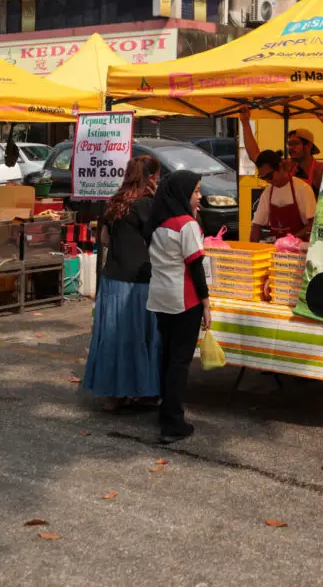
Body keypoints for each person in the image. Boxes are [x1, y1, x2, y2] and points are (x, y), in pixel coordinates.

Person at [83, 155, 162, 412]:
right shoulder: (148, 204)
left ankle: (112, 396)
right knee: (139, 337)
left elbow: (104, 239)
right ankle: (144, 391)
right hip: (139, 280)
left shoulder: (113, 203)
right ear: (151, 178)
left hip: (112, 279)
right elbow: (159, 240)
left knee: (113, 338)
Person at [147, 171, 211, 444]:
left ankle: (165, 413)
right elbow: (196, 267)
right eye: (196, 192)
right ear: (183, 194)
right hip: (185, 300)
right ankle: (173, 423)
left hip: (160, 298)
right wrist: (207, 304)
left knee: (167, 357)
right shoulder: (186, 225)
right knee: (179, 362)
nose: (200, 197)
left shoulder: (158, 223)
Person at [239, 108, 323, 197]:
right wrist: (245, 122)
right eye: (289, 144)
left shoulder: (320, 170)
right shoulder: (287, 167)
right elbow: (256, 157)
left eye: (294, 143)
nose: (290, 148)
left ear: (308, 146)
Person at [250, 149, 316, 243]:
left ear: (280, 167)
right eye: (263, 177)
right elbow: (256, 225)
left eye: (269, 175)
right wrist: (252, 249)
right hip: (276, 250)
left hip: (299, 250)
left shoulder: (303, 189)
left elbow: (313, 225)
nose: (267, 181)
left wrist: (290, 240)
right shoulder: (268, 193)